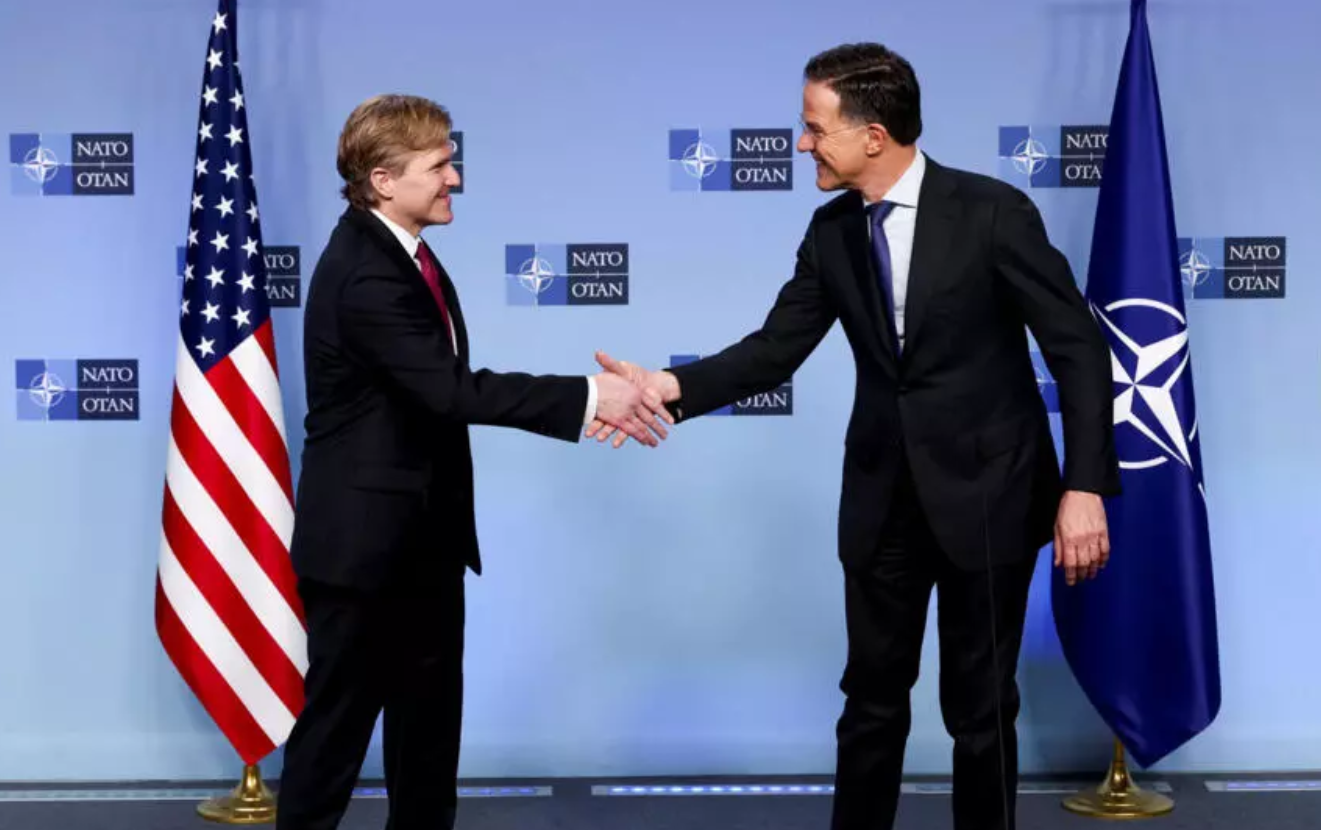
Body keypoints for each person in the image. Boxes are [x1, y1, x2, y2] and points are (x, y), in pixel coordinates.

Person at [592, 43, 1120, 830]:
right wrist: (669, 386)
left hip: (991, 495)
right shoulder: (832, 230)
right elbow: (774, 349)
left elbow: (1077, 349)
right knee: (871, 702)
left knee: (980, 709)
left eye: (815, 128)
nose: (802, 143)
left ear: (874, 136)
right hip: (881, 502)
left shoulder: (993, 212)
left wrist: (1084, 487)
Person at [276, 93, 672, 830]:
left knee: (428, 742)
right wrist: (591, 397)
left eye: (451, 162)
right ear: (383, 181)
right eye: (439, 166)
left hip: (424, 542)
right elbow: (450, 390)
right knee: (334, 740)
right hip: (364, 553)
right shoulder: (365, 272)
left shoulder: (408, 256)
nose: (455, 178)